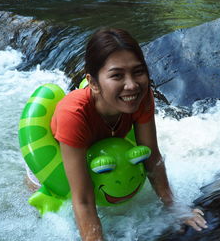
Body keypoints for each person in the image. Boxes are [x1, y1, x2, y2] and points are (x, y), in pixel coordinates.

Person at [47, 28, 207, 241]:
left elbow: (152, 156)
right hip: (57, 160)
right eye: (117, 75)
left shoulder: (140, 96)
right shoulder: (73, 114)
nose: (132, 85)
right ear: (93, 83)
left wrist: (174, 208)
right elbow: (83, 199)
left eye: (138, 71)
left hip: (106, 147)